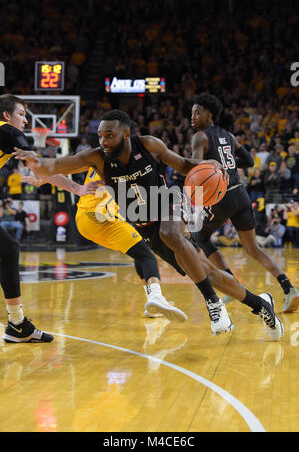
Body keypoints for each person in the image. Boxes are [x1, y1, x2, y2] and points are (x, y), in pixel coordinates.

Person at [13, 109, 284, 339]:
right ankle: (261, 304)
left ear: (126, 134)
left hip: (167, 201)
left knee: (170, 233)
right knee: (208, 273)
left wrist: (211, 163)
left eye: (110, 135)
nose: (104, 141)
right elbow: (56, 164)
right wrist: (38, 162)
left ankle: (213, 303)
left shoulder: (149, 145)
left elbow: (185, 164)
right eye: (101, 136)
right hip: (144, 223)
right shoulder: (96, 158)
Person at [22, 168, 187, 323]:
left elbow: (61, 168)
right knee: (146, 256)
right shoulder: (122, 163)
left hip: (84, 220)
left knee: (139, 251)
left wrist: (41, 179)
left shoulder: (94, 159)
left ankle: (152, 302)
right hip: (101, 218)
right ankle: (156, 297)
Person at [190, 92, 298, 313]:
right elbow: (248, 161)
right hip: (241, 195)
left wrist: (211, 166)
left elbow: (194, 165)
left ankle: (232, 284)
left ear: (209, 114)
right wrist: (227, 164)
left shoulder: (200, 137)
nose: (192, 116)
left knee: (198, 237)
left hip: (221, 197)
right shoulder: (229, 136)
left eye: (196, 112)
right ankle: (289, 289)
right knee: (253, 248)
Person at [0, 94, 53, 342]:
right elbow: (32, 157)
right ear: (6, 116)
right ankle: (17, 323)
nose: (26, 120)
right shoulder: (7, 132)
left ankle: (17, 323)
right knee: (9, 248)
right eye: (22, 114)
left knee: (9, 248)